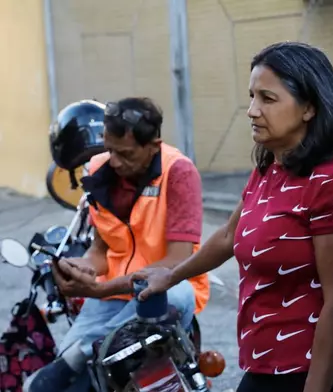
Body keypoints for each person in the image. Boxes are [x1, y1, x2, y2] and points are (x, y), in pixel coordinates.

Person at [132, 41, 333, 392]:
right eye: (252, 96)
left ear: (309, 108)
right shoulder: (270, 170)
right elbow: (230, 236)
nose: (252, 110)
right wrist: (171, 276)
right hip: (263, 363)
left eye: (268, 99)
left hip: (308, 371)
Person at [26, 97, 210, 391]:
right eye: (109, 148)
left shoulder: (179, 172)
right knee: (47, 386)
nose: (115, 161)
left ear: (153, 145)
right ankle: (88, 350)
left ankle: (86, 349)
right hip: (113, 298)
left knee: (174, 294)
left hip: (166, 291)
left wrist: (100, 288)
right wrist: (82, 266)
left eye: (125, 153)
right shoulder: (99, 168)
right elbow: (101, 249)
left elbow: (177, 261)